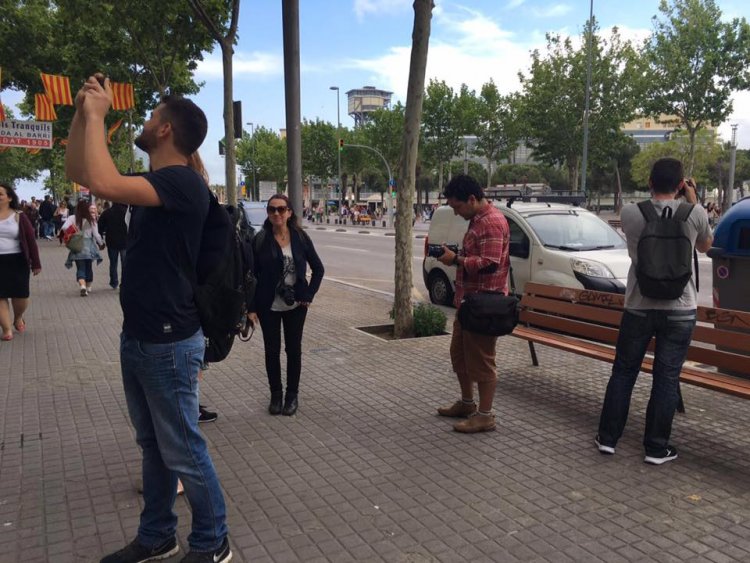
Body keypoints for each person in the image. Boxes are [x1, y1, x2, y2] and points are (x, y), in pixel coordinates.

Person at [65, 76, 231, 562]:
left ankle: (212, 541)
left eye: (149, 116)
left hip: (168, 341)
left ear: (164, 131)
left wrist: (98, 115)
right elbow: (83, 170)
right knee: (154, 446)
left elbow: (101, 181)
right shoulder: (159, 183)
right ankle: (158, 534)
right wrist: (82, 115)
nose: (142, 121)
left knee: (182, 448)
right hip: (139, 336)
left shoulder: (180, 181)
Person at [595, 158, 712, 465]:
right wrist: (692, 199)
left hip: (638, 305)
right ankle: (656, 448)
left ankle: (608, 439)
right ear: (680, 184)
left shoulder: (632, 212)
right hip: (680, 309)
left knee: (623, 372)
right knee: (666, 377)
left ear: (649, 182)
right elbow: (705, 246)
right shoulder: (694, 212)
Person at [435, 174, 510, 433]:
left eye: (457, 207)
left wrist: (456, 259)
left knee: (482, 361)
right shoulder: (478, 220)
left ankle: (485, 415)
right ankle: (468, 403)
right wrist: (459, 255)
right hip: (469, 302)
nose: (456, 213)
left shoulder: (491, 222)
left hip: (485, 305)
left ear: (472, 199)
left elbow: (490, 264)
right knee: (461, 356)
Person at [249, 194, 324, 416]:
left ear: (290, 212)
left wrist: (308, 295)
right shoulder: (260, 240)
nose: (276, 214)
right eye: (272, 210)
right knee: (271, 352)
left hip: (296, 306)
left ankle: (292, 396)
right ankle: (275, 396)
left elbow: (319, 269)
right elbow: (250, 276)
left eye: (281, 209)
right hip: (268, 306)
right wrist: (251, 308)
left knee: (293, 351)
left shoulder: (300, 238)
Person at [0, 183, 42, 341]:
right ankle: (6, 329)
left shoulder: (19, 216)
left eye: (0, 194)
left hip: (17, 260)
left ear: (9, 197)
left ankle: (18, 317)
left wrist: (36, 263)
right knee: (0, 296)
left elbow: (31, 241)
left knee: (21, 295)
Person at [60, 199, 104, 296]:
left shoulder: (72, 218)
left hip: (77, 245)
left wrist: (74, 231)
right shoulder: (92, 219)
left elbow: (63, 228)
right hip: (89, 246)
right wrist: (101, 243)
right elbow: (96, 235)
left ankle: (82, 286)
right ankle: (88, 287)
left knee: (80, 267)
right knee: (89, 267)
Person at [97, 201, 128, 290]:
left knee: (113, 263)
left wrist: (100, 240)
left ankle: (114, 282)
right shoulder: (126, 212)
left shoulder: (107, 212)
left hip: (111, 241)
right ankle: (124, 282)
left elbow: (100, 226)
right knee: (125, 263)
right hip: (125, 241)